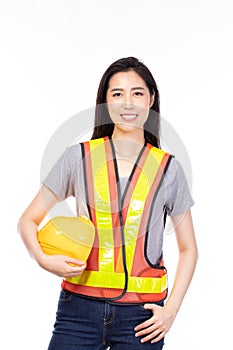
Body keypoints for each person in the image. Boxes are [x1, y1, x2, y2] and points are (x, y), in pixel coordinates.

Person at [18, 57, 198, 349]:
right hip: (77, 311)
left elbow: (189, 249)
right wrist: (42, 258)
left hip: (142, 319)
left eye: (137, 93)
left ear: (151, 99)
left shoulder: (169, 169)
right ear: (105, 101)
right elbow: (27, 220)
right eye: (117, 94)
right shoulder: (77, 158)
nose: (128, 103)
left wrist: (171, 311)